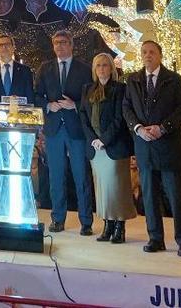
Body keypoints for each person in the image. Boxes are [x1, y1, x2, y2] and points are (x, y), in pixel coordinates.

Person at [122, 40, 181, 257]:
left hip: (169, 146)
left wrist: (163, 128)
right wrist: (138, 128)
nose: (147, 55)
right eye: (144, 52)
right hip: (144, 146)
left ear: (160, 55)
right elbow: (127, 107)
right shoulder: (132, 80)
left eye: (152, 52)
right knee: (149, 198)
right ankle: (155, 238)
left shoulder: (174, 79)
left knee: (176, 197)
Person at [35, 30, 94, 235]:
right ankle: (57, 219)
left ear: (71, 45)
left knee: (81, 176)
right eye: (56, 43)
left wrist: (75, 105)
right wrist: (47, 105)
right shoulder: (45, 68)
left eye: (63, 42)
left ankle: (86, 221)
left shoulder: (84, 69)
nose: (59, 46)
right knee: (56, 177)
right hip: (53, 130)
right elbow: (36, 95)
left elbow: (92, 96)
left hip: (76, 129)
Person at [79, 52, 136, 243]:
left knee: (116, 188)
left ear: (111, 68)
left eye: (105, 65)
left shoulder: (120, 89)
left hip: (114, 147)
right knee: (102, 189)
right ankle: (107, 225)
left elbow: (120, 119)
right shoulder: (87, 88)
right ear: (94, 70)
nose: (102, 68)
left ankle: (120, 227)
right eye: (98, 66)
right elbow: (83, 117)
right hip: (95, 148)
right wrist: (93, 139)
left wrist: (104, 140)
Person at [0, 33, 36, 106]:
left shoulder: (25, 70)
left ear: (13, 48)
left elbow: (30, 97)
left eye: (7, 44)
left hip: (19, 115)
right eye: (0, 45)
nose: (4, 47)